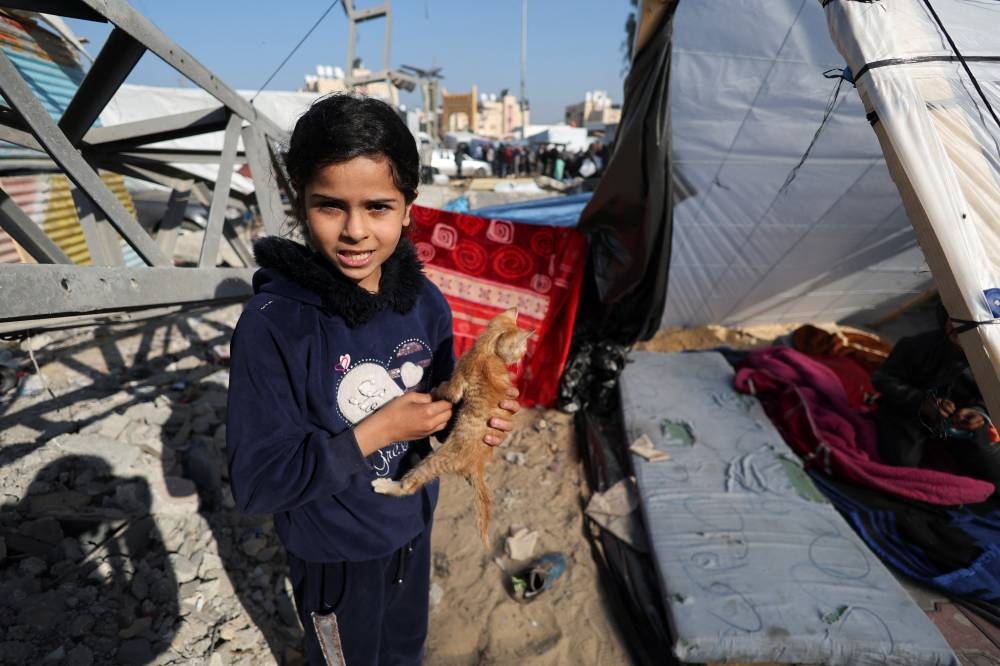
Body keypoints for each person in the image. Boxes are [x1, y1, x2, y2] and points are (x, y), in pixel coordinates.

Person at [225, 94, 520, 665]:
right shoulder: (273, 326)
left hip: (410, 530)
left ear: (410, 206)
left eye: (379, 207)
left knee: (404, 650)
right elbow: (258, 482)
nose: (356, 231)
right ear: (299, 202)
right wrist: (375, 431)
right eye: (330, 206)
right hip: (334, 555)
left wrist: (468, 423)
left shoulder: (426, 303)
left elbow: (433, 413)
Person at [872, 303, 1000, 488]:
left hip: (961, 425)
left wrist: (979, 412)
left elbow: (994, 396)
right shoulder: (915, 346)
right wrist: (921, 401)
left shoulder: (993, 362)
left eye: (971, 322)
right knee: (901, 464)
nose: (957, 326)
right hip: (912, 413)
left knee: (994, 471)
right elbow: (883, 378)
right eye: (955, 316)